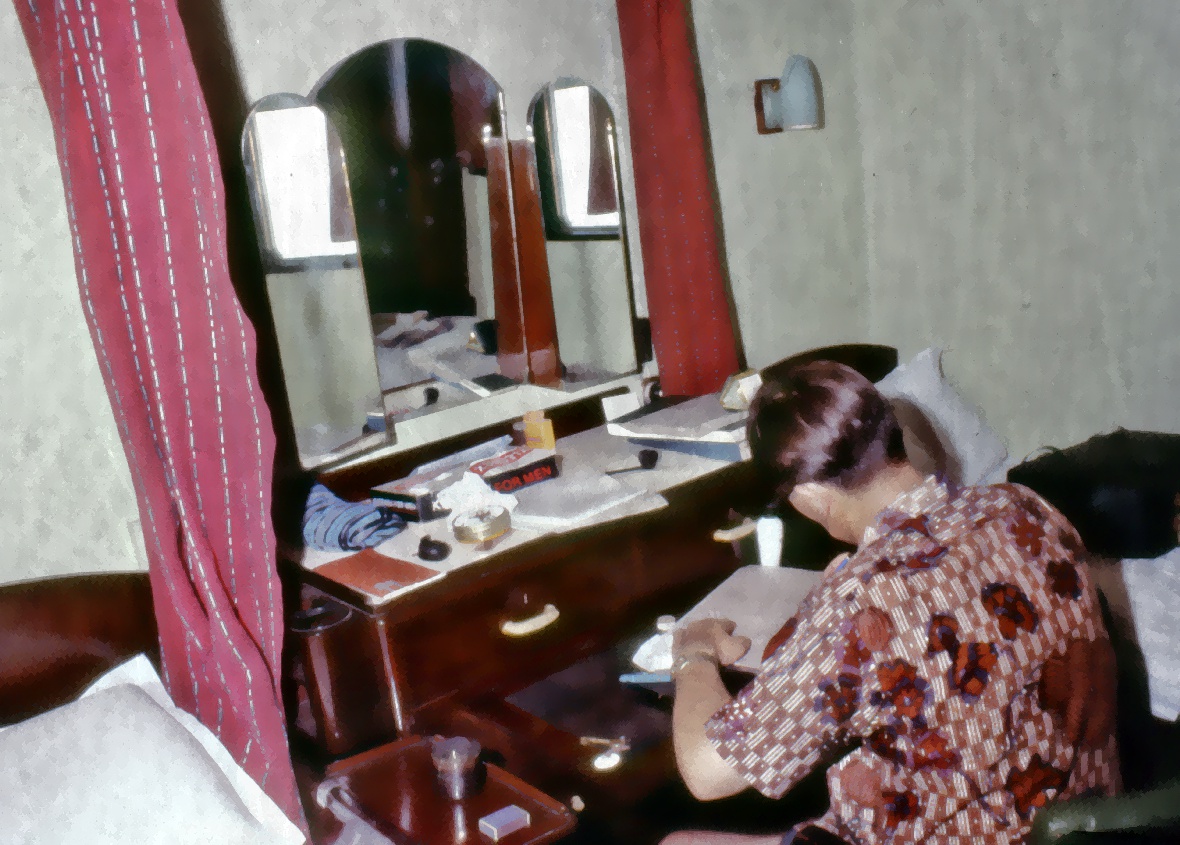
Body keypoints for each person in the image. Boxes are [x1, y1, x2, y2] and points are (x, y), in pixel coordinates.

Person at [664, 361, 1120, 845]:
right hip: (1084, 824)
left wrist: (694, 654)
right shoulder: (1022, 505)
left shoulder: (857, 602)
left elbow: (706, 774)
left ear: (811, 496)